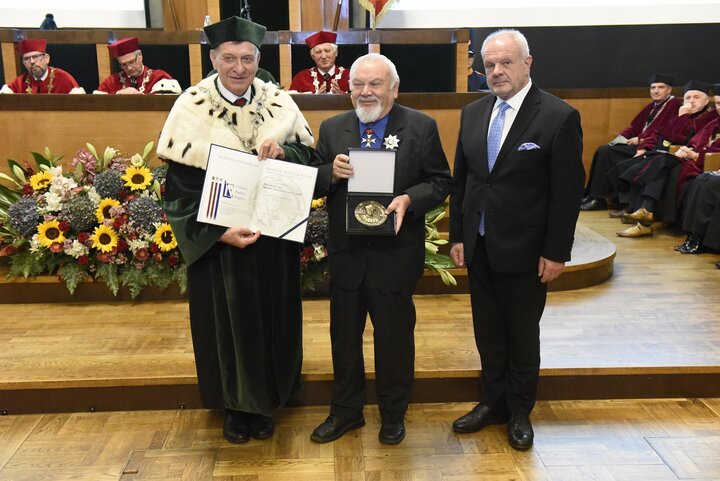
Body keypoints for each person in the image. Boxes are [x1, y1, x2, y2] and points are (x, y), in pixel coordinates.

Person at [156, 16, 316, 444]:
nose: (239, 68)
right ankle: (235, 407)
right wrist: (217, 232)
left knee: (272, 320)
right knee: (226, 327)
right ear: (213, 59)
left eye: (247, 58)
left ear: (258, 59)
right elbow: (178, 192)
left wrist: (286, 150)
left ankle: (267, 402)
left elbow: (311, 160)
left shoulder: (281, 104)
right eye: (229, 58)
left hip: (272, 242)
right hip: (221, 247)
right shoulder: (190, 107)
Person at [448, 29, 584, 451]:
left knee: (522, 334)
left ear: (528, 62)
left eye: (506, 62)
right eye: (489, 65)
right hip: (480, 245)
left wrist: (557, 251)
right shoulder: (473, 114)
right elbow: (463, 181)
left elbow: (566, 193)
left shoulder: (558, 116)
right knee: (487, 331)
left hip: (527, 251)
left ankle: (520, 409)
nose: (497, 71)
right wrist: (457, 236)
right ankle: (492, 403)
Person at [309, 53, 451, 445]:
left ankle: (393, 413)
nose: (366, 92)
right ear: (349, 87)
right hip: (347, 256)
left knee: (394, 340)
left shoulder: (421, 126)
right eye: (358, 84)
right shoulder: (333, 127)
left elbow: (440, 181)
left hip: (395, 256)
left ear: (394, 88)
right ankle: (346, 412)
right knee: (344, 338)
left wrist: (409, 198)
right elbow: (316, 180)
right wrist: (329, 174)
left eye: (375, 84)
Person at [616, 81, 717, 238]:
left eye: (697, 97)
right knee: (653, 163)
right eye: (688, 97)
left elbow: (686, 136)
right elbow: (669, 135)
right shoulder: (684, 113)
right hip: (683, 156)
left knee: (659, 163)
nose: (691, 101)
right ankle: (643, 213)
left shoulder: (709, 117)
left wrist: (683, 117)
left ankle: (645, 216)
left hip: (699, 162)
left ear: (706, 101)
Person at [580, 73, 680, 211]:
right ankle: (593, 195)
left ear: (669, 89)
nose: (656, 91)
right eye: (653, 87)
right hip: (638, 145)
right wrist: (621, 138)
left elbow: (666, 132)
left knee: (607, 153)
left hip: (651, 149)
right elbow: (634, 127)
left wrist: (641, 140)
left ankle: (599, 198)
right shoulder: (653, 106)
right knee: (604, 150)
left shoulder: (674, 105)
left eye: (660, 87)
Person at [96, 37, 178, 94]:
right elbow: (97, 100)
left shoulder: (159, 77)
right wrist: (118, 93)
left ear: (140, 55)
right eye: (123, 65)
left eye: (131, 62)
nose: (129, 68)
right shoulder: (112, 82)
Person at [1, 39, 83, 94]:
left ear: (46, 58)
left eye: (36, 57)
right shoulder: (19, 83)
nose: (32, 62)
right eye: (27, 59)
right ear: (24, 63)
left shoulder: (64, 79)